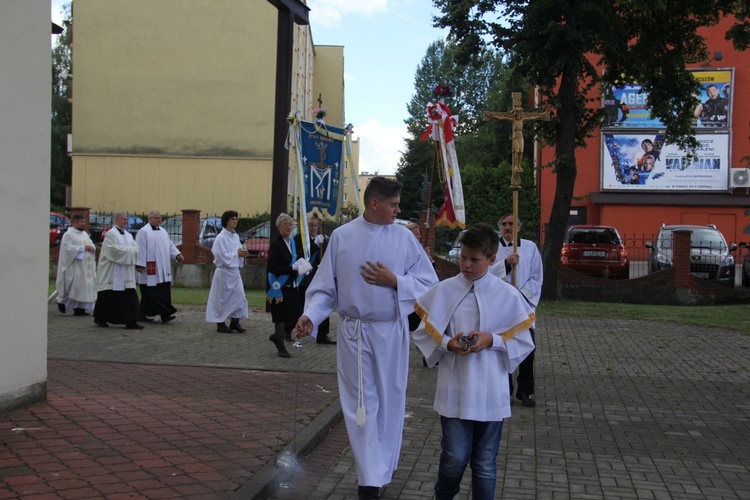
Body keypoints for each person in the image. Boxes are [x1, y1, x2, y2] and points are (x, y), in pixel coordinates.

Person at [294, 176, 438, 499]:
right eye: (394, 204)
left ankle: (381, 467)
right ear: (375, 204)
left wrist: (396, 281)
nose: (398, 210)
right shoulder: (343, 237)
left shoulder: (403, 238)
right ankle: (368, 480)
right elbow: (324, 288)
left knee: (389, 402)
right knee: (360, 404)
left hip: (390, 333)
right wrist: (309, 316)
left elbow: (430, 284)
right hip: (354, 333)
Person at [412, 223, 536, 500]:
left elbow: (525, 340)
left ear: (492, 260)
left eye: (474, 260)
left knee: (484, 464)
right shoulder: (444, 290)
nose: (466, 265)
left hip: (490, 388)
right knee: (454, 457)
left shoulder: (507, 294)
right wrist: (447, 343)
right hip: (455, 385)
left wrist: (492, 339)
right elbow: (423, 333)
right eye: (463, 258)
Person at [490, 214, 543, 408]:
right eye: (503, 224)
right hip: (501, 307)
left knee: (527, 349)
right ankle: (505, 390)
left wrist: (521, 296)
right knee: (503, 349)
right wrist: (505, 264)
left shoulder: (530, 248)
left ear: (518, 227)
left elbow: (537, 277)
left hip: (523, 306)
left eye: (511, 224)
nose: (507, 227)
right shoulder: (492, 248)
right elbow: (486, 273)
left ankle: (526, 390)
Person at [266, 213, 311, 358]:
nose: (288, 227)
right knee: (280, 316)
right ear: (279, 227)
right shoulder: (276, 244)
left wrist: (301, 268)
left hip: (291, 284)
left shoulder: (291, 242)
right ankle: (280, 345)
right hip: (278, 286)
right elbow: (272, 267)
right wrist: (290, 269)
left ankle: (277, 336)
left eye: (290, 224)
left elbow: (293, 262)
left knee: (296, 313)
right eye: (285, 224)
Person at [94, 212, 143, 329]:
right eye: (124, 219)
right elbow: (113, 251)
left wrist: (128, 251)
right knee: (108, 294)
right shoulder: (110, 234)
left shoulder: (128, 235)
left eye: (126, 219)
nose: (126, 221)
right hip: (112, 271)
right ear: (116, 220)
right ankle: (101, 318)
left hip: (126, 273)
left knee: (130, 295)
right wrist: (129, 251)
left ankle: (131, 320)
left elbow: (136, 248)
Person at [135, 211, 183, 323]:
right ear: (150, 219)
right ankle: (165, 314)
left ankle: (142, 314)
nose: (159, 220)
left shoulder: (163, 231)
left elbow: (170, 245)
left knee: (160, 292)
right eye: (156, 218)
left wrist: (177, 254)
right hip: (150, 269)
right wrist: (140, 264)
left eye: (160, 218)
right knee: (151, 293)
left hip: (163, 268)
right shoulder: (143, 232)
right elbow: (140, 248)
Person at [206, 211, 249, 333]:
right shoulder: (220, 238)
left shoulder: (235, 237)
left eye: (236, 219)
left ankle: (235, 322)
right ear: (226, 221)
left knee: (240, 297)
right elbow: (220, 255)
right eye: (232, 219)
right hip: (224, 272)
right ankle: (220, 323)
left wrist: (243, 254)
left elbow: (238, 252)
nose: (235, 221)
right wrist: (237, 254)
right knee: (222, 299)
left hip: (234, 272)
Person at [293, 216, 335, 345]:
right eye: (310, 225)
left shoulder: (323, 240)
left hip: (318, 277)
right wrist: (313, 244)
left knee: (321, 304)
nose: (313, 228)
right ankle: (298, 331)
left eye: (315, 225)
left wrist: (324, 243)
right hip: (304, 278)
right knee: (303, 307)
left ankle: (322, 334)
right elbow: (299, 255)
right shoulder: (298, 239)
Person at [55, 214, 97, 316]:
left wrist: (92, 247)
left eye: (84, 222)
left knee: (84, 288)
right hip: (75, 266)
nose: (83, 224)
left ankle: (80, 309)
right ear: (74, 222)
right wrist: (83, 248)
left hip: (85, 265)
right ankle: (61, 302)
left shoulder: (85, 234)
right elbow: (68, 249)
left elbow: (91, 243)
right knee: (75, 287)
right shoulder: (68, 235)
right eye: (81, 222)